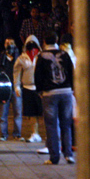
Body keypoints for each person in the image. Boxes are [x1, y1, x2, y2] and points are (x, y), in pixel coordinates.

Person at [34, 31, 75, 165]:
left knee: (51, 125)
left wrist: (40, 91)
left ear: (44, 42)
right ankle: (68, 154)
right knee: (66, 124)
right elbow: (71, 72)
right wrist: (71, 88)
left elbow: (38, 75)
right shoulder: (65, 54)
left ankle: (54, 157)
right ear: (57, 40)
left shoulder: (41, 56)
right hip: (66, 91)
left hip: (49, 93)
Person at [14, 35, 43, 143]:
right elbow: (16, 73)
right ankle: (34, 133)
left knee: (43, 112)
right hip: (27, 88)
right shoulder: (21, 58)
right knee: (31, 113)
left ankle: (48, 133)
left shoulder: (41, 56)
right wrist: (16, 86)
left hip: (40, 88)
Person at [0, 37, 22, 141]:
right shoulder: (0, 58)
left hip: (16, 87)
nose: (9, 45)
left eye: (11, 43)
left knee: (18, 112)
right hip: (4, 88)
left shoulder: (19, 58)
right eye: (7, 43)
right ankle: (3, 134)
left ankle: (17, 134)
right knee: (3, 113)